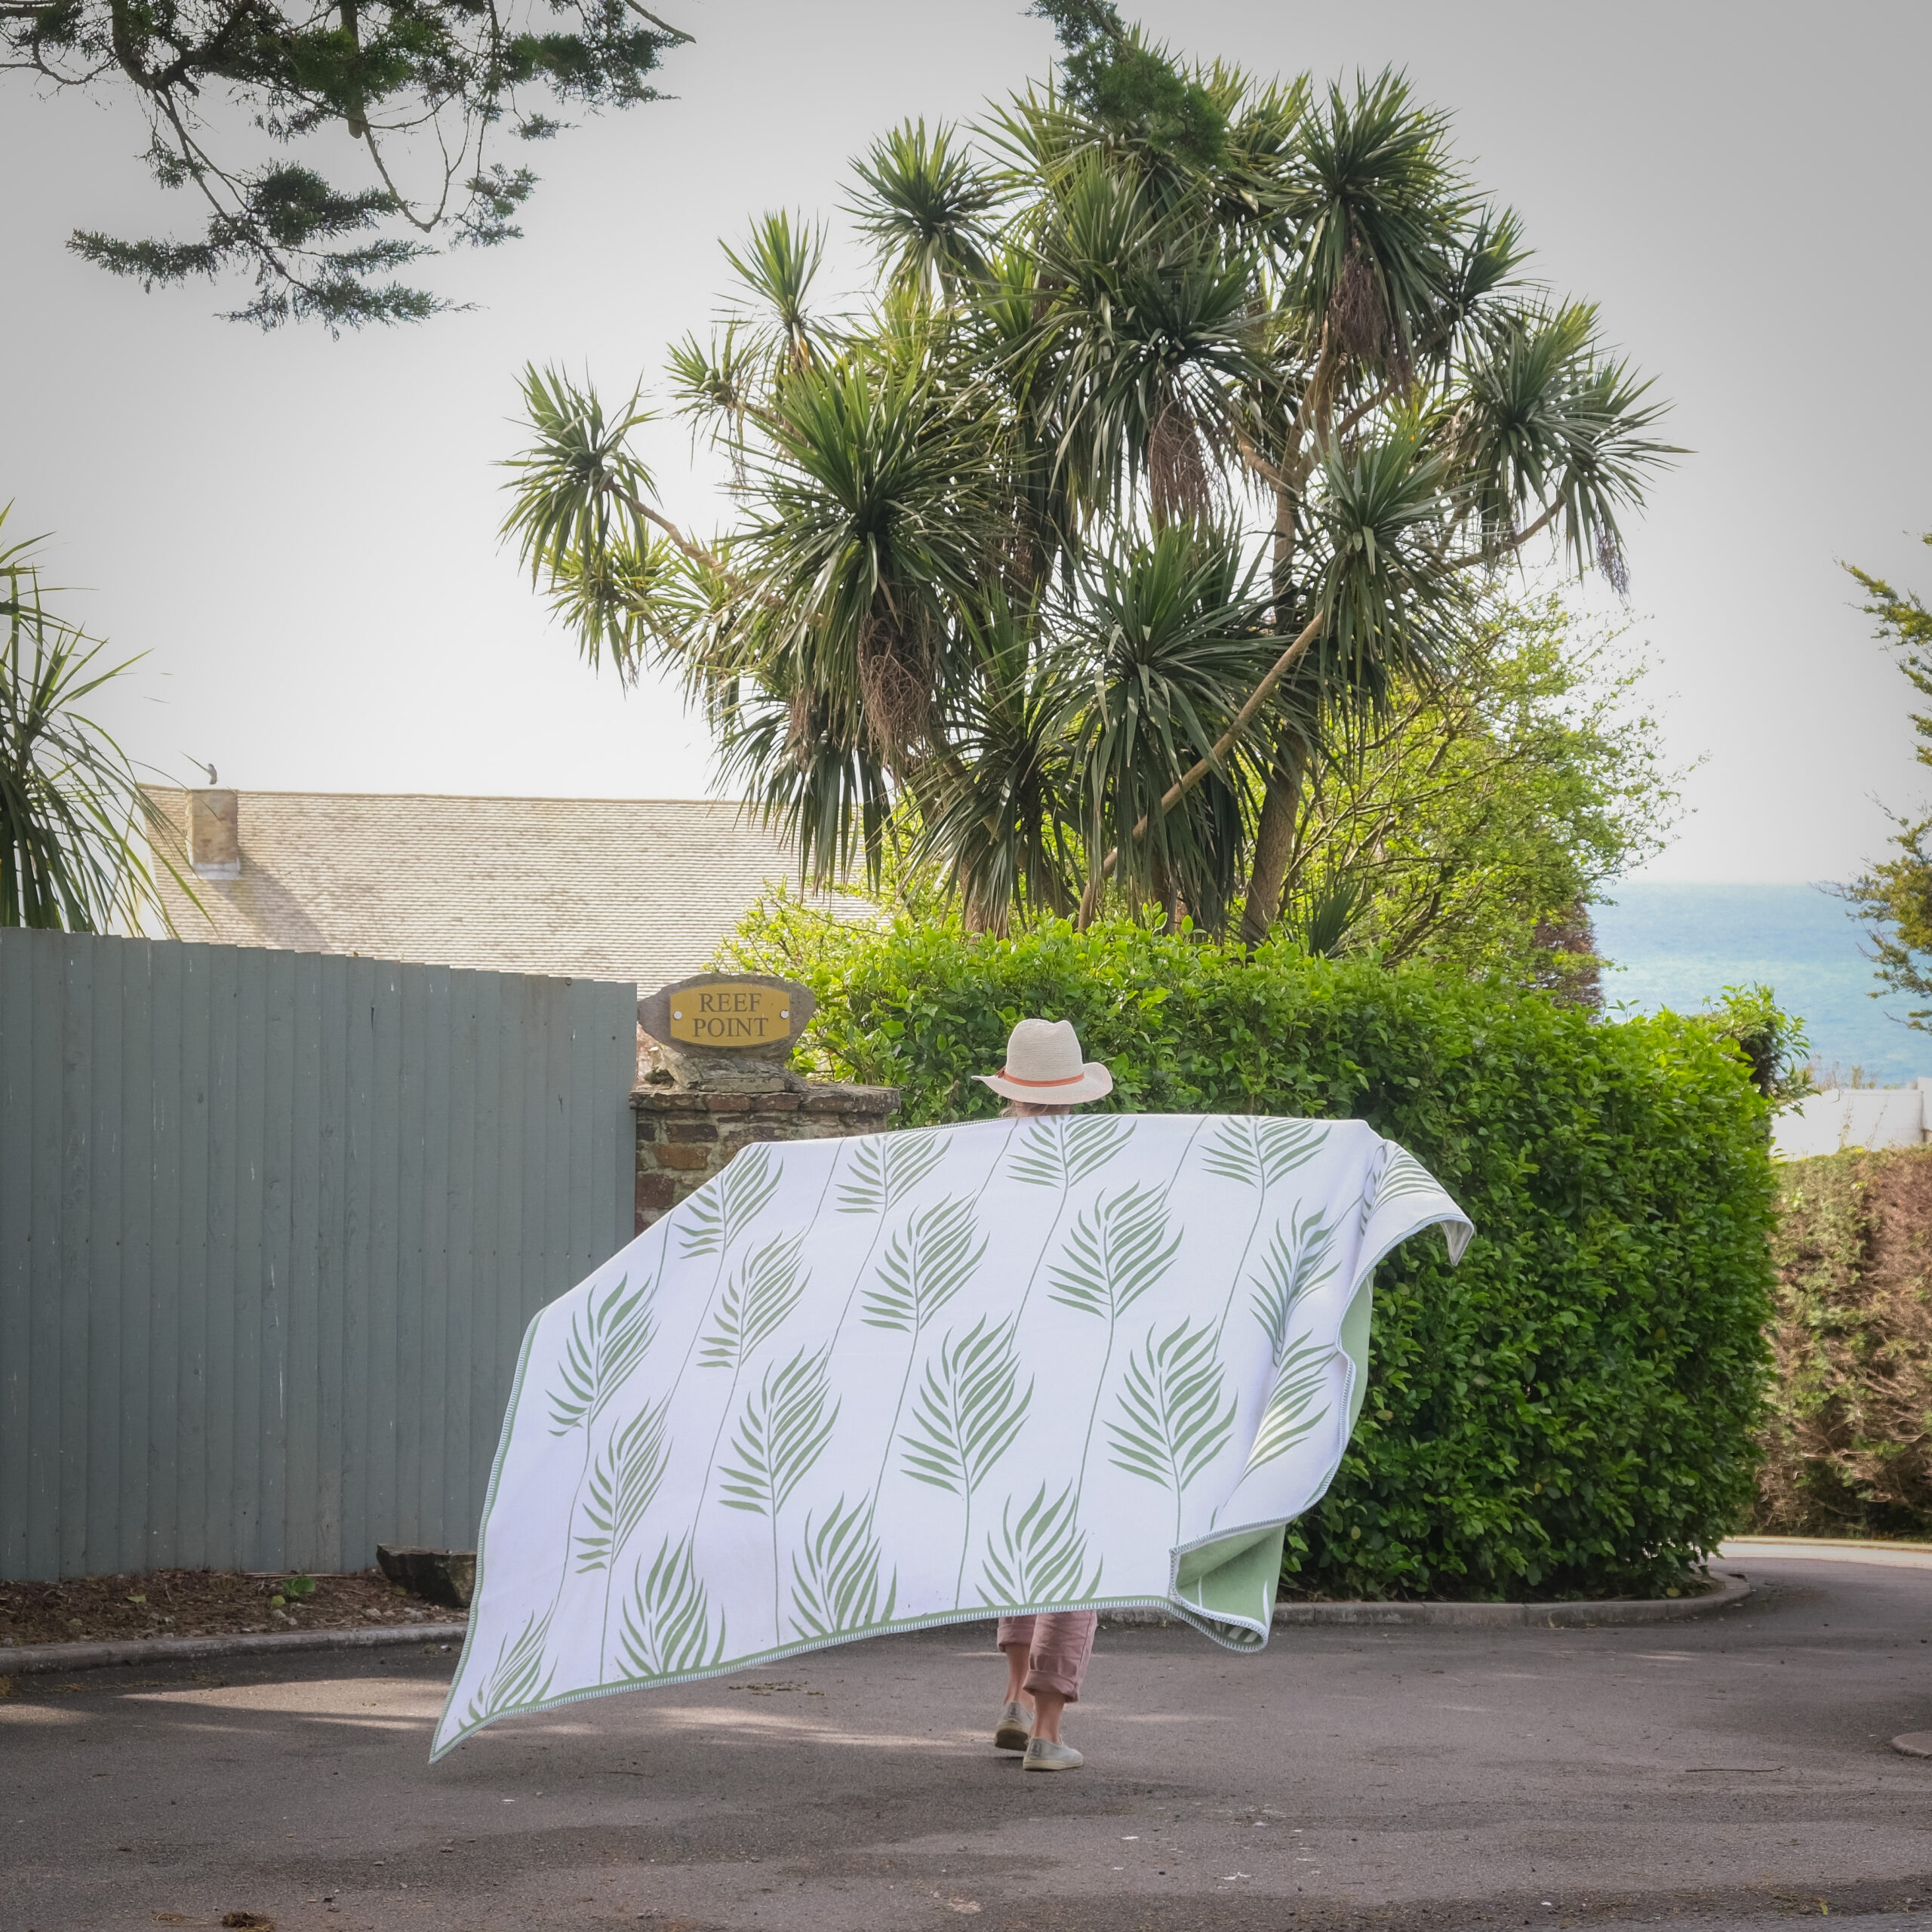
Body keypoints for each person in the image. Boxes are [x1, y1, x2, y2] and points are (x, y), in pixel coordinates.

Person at [974, 1016, 1115, 1774]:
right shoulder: (1097, 1169)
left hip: (1000, 1369)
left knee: (1023, 1525)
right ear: (1074, 1096)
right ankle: (1047, 1730)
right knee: (1078, 1538)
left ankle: (1011, 1699)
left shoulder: (977, 1163)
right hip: (1077, 1368)